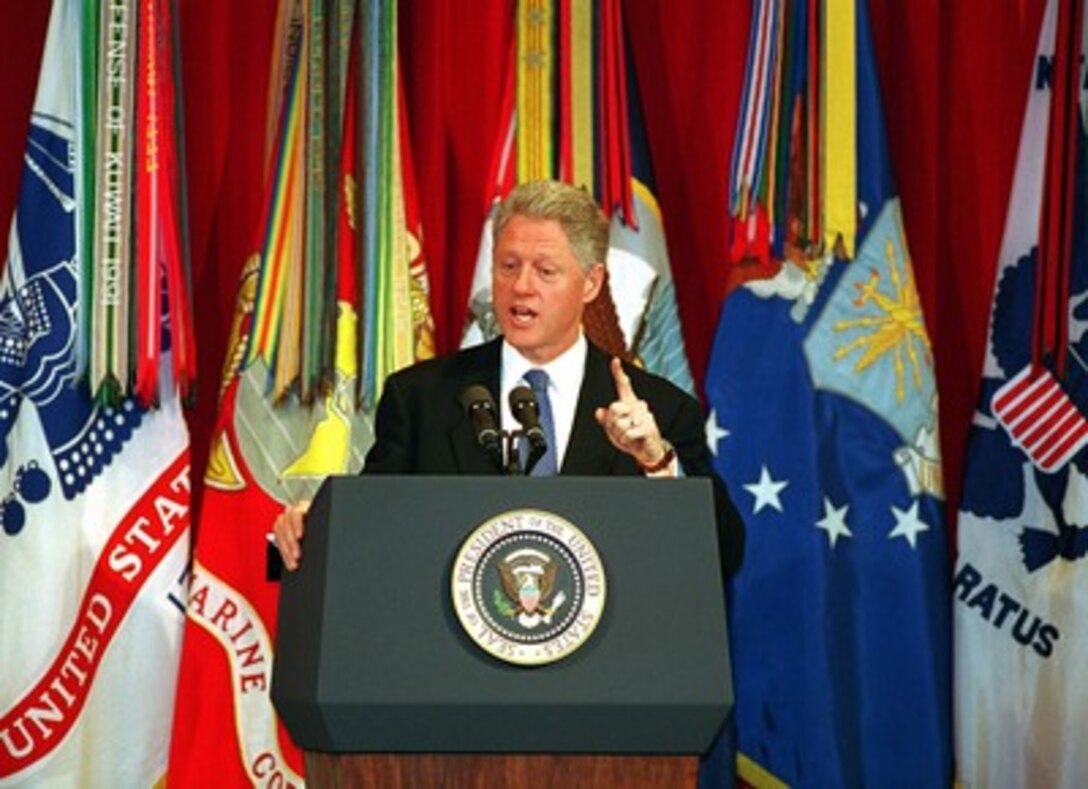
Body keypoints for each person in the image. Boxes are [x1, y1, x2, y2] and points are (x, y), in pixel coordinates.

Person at [273, 179, 744, 575]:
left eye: (545, 271)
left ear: (592, 283)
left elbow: (724, 554)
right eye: (509, 266)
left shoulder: (658, 411)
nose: (522, 287)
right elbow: (377, 525)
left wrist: (658, 464)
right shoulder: (422, 399)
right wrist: (320, 528)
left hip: (603, 678)